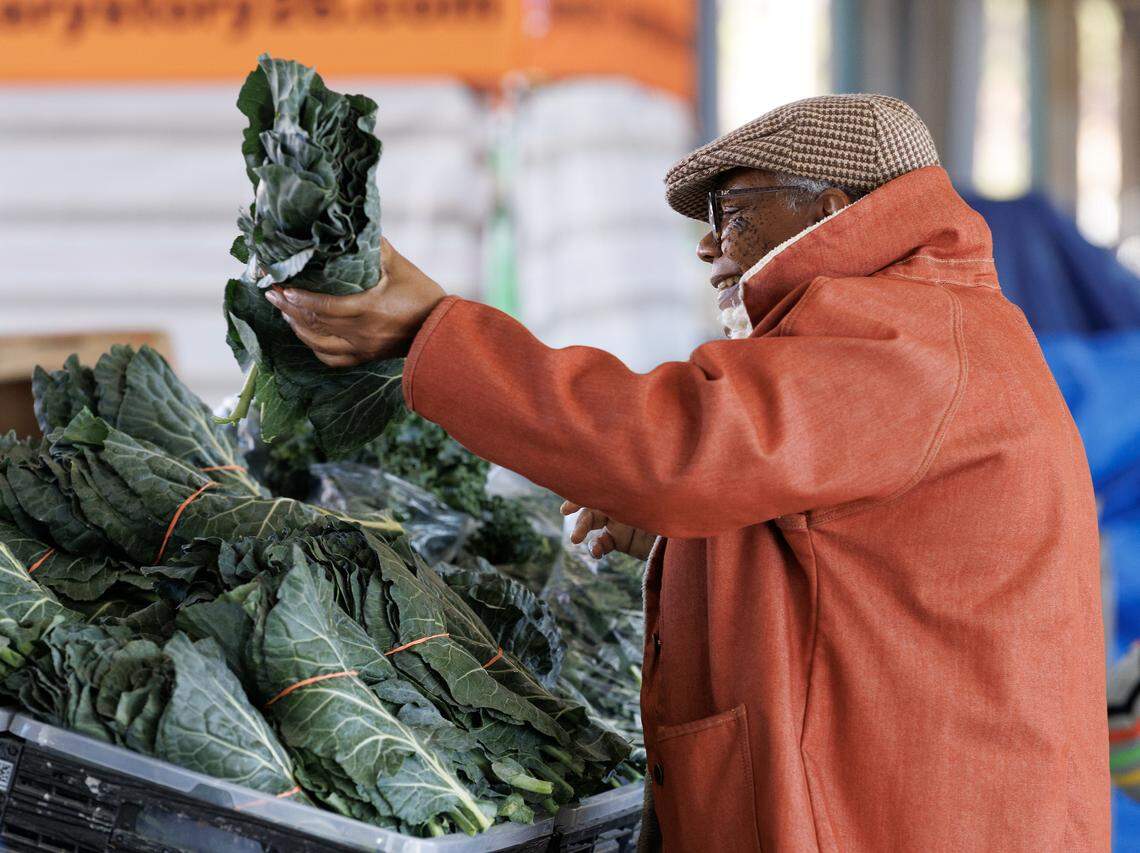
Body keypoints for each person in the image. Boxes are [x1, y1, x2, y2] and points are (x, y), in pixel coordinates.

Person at [265, 94, 1109, 852]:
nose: (710, 242)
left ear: (834, 212)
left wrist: (434, 330)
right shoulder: (946, 324)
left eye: (735, 210)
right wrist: (695, 537)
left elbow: (671, 448)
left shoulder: (902, 337)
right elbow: (848, 552)